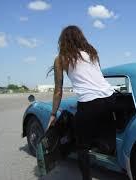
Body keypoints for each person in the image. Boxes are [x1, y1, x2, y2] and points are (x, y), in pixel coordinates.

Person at [47, 25, 115, 180]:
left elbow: (58, 90)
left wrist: (52, 114)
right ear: (80, 37)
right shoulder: (92, 53)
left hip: (90, 104)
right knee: (96, 123)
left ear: (63, 41)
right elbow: (97, 79)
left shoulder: (61, 59)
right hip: (110, 99)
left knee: (81, 147)